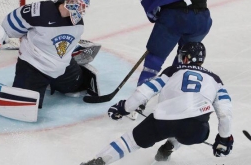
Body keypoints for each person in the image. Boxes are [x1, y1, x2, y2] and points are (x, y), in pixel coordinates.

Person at [80, 42, 233, 165]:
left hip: (163, 121)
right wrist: (224, 139)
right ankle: (170, 147)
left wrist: (124, 108)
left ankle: (98, 162)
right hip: (195, 130)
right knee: (189, 124)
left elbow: (144, 91)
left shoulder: (172, 71)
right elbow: (225, 113)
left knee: (130, 141)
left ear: (185, 58)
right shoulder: (216, 80)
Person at [130, 0, 220, 119]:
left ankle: (138, 101)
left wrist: (163, 18)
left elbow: (151, 12)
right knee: (184, 58)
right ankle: (175, 99)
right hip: (202, 17)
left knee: (155, 58)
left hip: (173, 18)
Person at [0, 0, 100, 108]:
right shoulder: (40, 11)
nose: (82, 11)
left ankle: (54, 82)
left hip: (62, 67)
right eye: (80, 6)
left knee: (78, 85)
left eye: (84, 7)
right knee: (24, 105)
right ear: (70, 1)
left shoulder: (78, 24)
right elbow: (10, 24)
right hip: (34, 66)